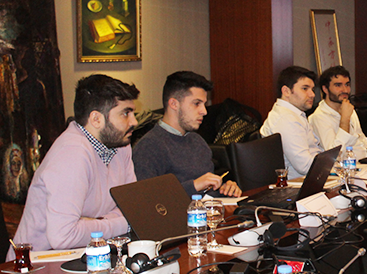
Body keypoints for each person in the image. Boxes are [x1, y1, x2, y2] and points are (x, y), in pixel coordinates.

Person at [8, 75, 139, 256]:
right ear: (96, 119)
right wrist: (122, 223)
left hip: (90, 255)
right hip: (38, 264)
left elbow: (131, 207)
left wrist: (92, 223)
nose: (134, 122)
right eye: (125, 113)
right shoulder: (72, 153)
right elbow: (63, 236)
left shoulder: (120, 145)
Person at [133, 71, 241, 197]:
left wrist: (224, 189)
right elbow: (147, 198)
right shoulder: (148, 147)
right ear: (174, 104)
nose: (204, 111)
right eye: (196, 103)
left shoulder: (197, 141)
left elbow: (207, 193)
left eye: (204, 104)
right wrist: (194, 186)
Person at [308, 65, 367, 160]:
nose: (345, 90)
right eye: (338, 85)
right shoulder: (319, 117)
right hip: (346, 166)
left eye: (347, 84)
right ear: (325, 89)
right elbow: (334, 154)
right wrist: (345, 120)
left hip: (366, 161)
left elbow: (363, 140)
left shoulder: (348, 107)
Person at [260, 66, 322, 179]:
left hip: (308, 178)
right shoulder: (285, 119)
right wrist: (332, 167)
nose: (312, 94)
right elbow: (304, 166)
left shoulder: (294, 114)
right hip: (296, 184)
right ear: (286, 91)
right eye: (305, 88)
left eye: (312, 89)